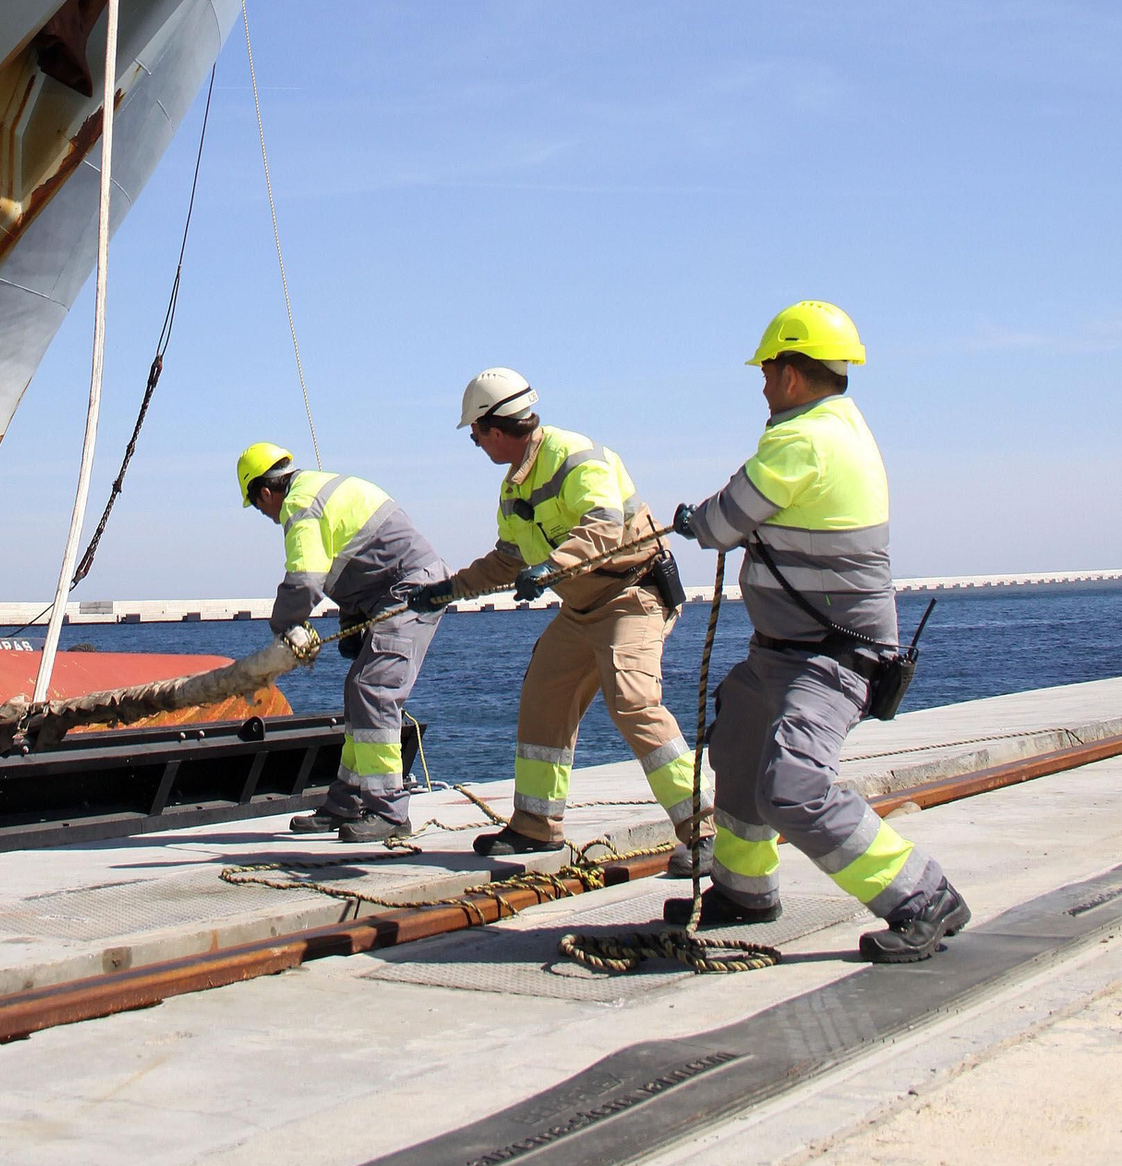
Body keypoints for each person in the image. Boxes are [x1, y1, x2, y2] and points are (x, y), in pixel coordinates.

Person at [668, 300, 971, 963]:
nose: (764, 385)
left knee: (795, 789)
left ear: (794, 375)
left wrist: (695, 521)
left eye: (769, 371)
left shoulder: (801, 439)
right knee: (740, 744)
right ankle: (745, 889)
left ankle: (923, 897)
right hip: (780, 655)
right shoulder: (843, 427)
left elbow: (721, 524)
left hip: (829, 661)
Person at [408, 371, 711, 865]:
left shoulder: (574, 456)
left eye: (474, 433)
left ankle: (705, 832)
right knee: (544, 694)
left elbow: (604, 526)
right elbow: (506, 560)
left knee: (633, 701)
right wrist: (448, 590)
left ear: (495, 428)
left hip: (632, 594)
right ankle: (535, 827)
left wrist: (552, 566)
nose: (474, 442)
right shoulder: (512, 489)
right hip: (581, 608)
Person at [237, 443, 447, 844]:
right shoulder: (320, 488)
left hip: (411, 592)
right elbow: (363, 555)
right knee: (359, 691)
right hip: (399, 589)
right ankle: (348, 800)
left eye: (258, 505)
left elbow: (306, 578)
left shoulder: (300, 507)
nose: (265, 515)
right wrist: (354, 617)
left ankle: (388, 811)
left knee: (373, 691)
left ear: (264, 492)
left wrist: (285, 624)